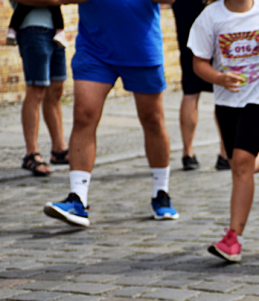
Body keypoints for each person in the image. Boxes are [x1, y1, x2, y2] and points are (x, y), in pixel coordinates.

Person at [43, 0, 179, 227]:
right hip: (95, 48)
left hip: (141, 48)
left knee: (153, 120)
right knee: (84, 116)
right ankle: (78, 199)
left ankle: (161, 193)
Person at [188, 0, 259, 262]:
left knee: (242, 162)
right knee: (238, 165)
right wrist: (218, 78)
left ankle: (233, 239)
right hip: (226, 100)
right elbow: (199, 62)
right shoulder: (210, 16)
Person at [12, 0, 74, 177]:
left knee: (56, 89)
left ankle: (59, 149)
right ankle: (31, 153)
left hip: (54, 31)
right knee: (36, 90)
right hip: (32, 30)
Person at [172, 0, 228, 171]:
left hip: (188, 8)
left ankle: (187, 154)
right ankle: (225, 154)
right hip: (217, 9)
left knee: (190, 90)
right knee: (223, 87)